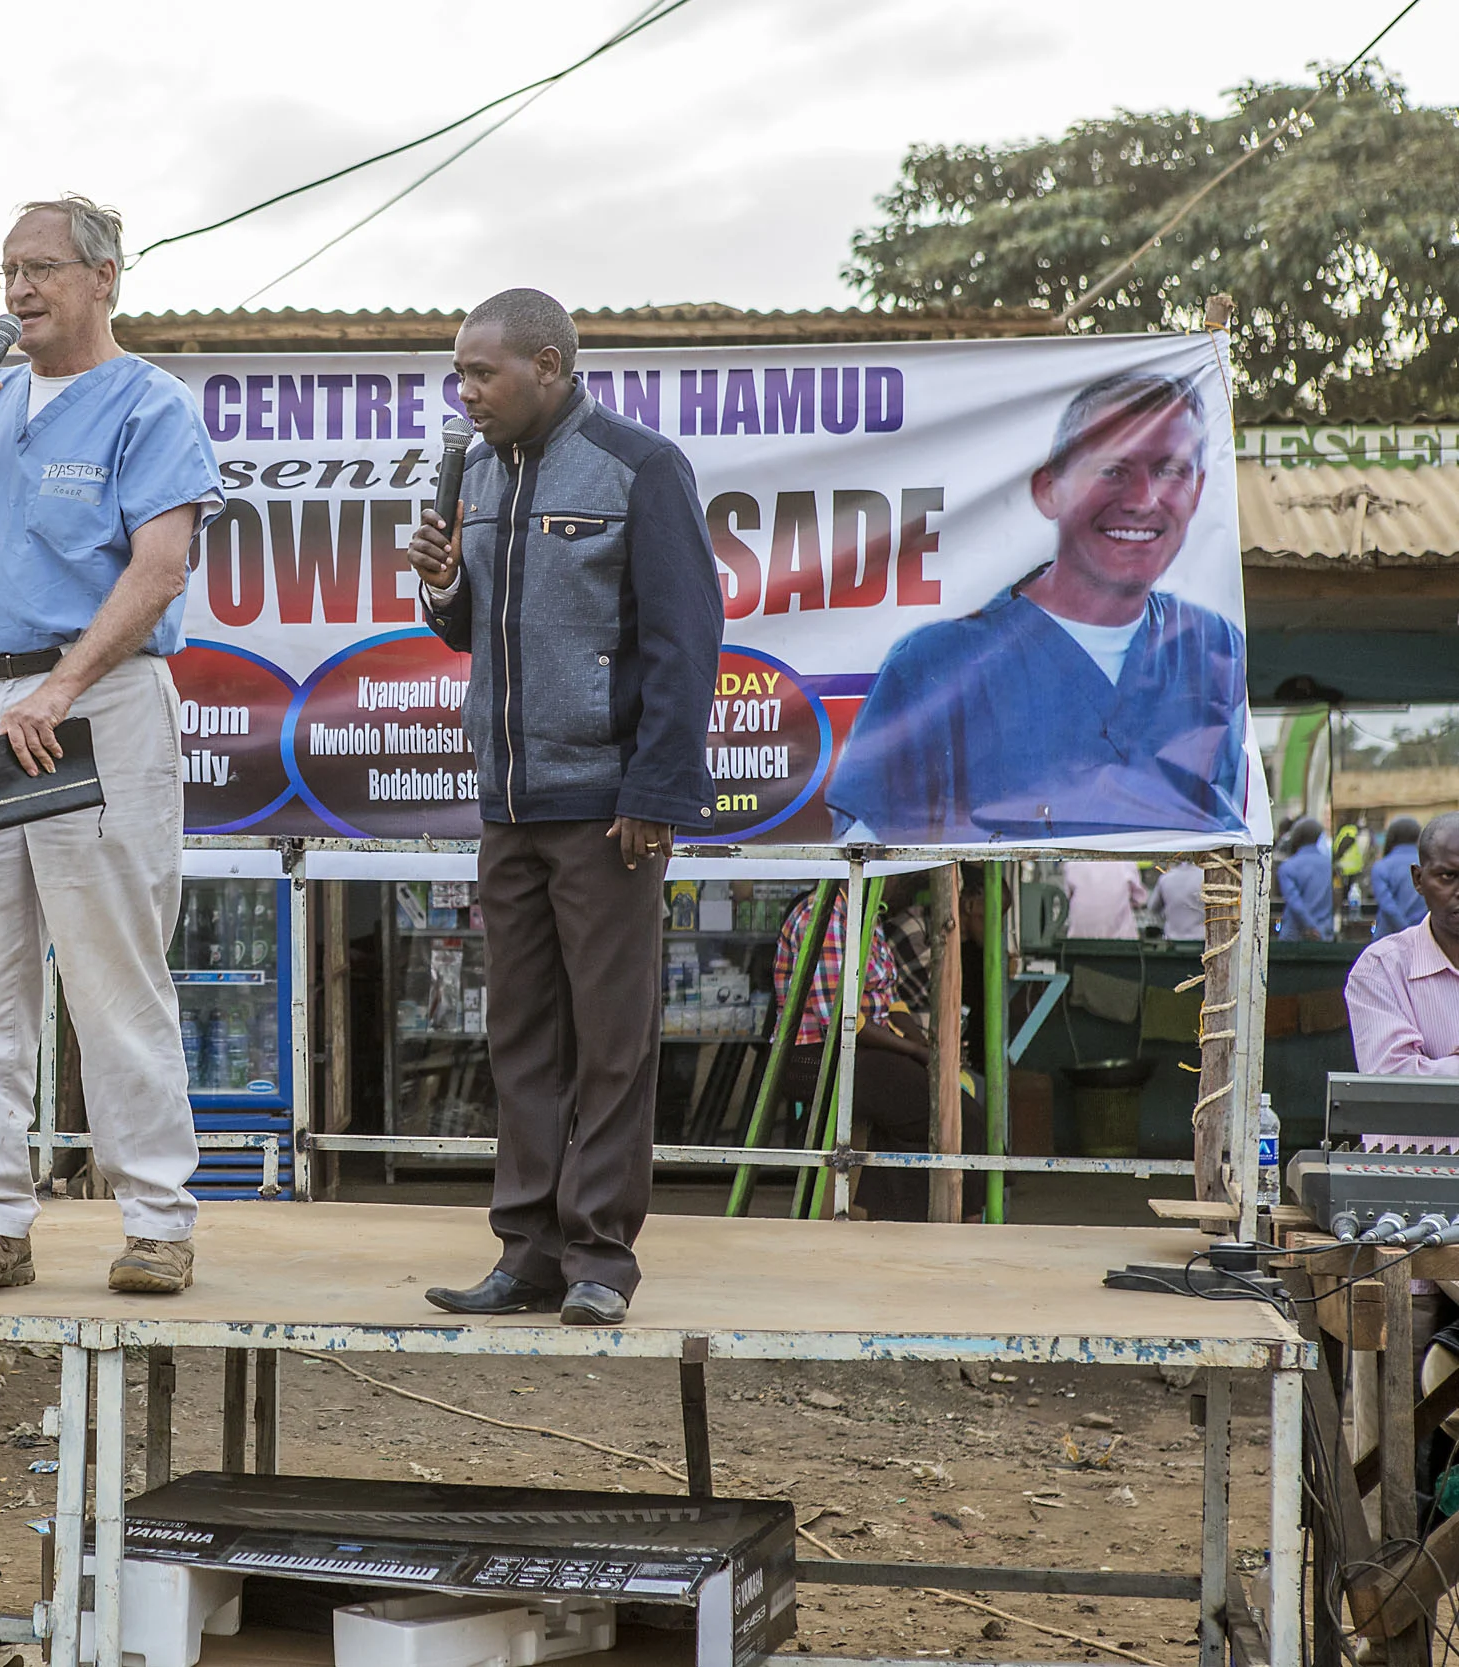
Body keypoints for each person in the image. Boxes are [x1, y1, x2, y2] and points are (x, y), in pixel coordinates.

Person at [0, 197, 223, 1301]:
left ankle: (158, 1220)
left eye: (39, 269)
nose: (17, 290)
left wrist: (63, 684)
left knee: (111, 966)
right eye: (4, 272)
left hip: (97, 705)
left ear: (103, 279)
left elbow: (160, 566)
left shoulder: (149, 404)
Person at [403, 288, 721, 1325]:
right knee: (520, 1040)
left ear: (548, 365)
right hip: (508, 802)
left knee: (610, 1041)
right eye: (457, 374)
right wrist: (444, 588)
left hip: (603, 809)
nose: (465, 392)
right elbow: (469, 636)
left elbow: (684, 638)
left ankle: (598, 1259)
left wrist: (657, 788)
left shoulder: (640, 467)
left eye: (480, 372)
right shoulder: (480, 473)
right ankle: (524, 1253)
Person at [824, 371, 1248, 843]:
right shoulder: (934, 665)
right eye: (1113, 470)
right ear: (1049, 489)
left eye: (1171, 471)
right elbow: (861, 861)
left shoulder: (1211, 649)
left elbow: (1227, 844)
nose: (1144, 501)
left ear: (1199, 489)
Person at [768, 887, 973, 1220]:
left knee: (956, 1099)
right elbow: (841, 1020)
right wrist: (916, 1052)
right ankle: (922, 1217)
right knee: (942, 1107)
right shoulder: (825, 915)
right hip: (820, 1055)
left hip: (864, 1048)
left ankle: (899, 1213)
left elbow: (890, 1000)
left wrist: (923, 1043)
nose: (898, 880)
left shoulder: (867, 914)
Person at [1345, 812, 1459, 1075]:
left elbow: (1387, 905)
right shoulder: (1380, 969)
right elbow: (1391, 1077)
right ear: (1418, 879)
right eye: (1448, 876)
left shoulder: (1382, 867)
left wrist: (1434, 1068)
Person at [1277, 816, 1335, 942]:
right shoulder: (1330, 866)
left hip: (1293, 938)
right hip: (1325, 936)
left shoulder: (1287, 867)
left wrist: (1311, 927)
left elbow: (1295, 903)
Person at [1062, 859, 1147, 939]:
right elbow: (1140, 899)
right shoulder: (1125, 863)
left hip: (1078, 940)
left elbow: (1067, 898)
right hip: (1121, 942)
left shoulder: (1072, 864)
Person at [1373, 816, 1426, 937]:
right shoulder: (1427, 864)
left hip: (1387, 938)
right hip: (1423, 935)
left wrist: (1405, 930)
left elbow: (1388, 907)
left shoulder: (1381, 866)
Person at [1147, 861, 1206, 942]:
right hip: (1201, 939)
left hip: (1172, 940)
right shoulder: (1205, 877)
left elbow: (1152, 907)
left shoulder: (1166, 878)